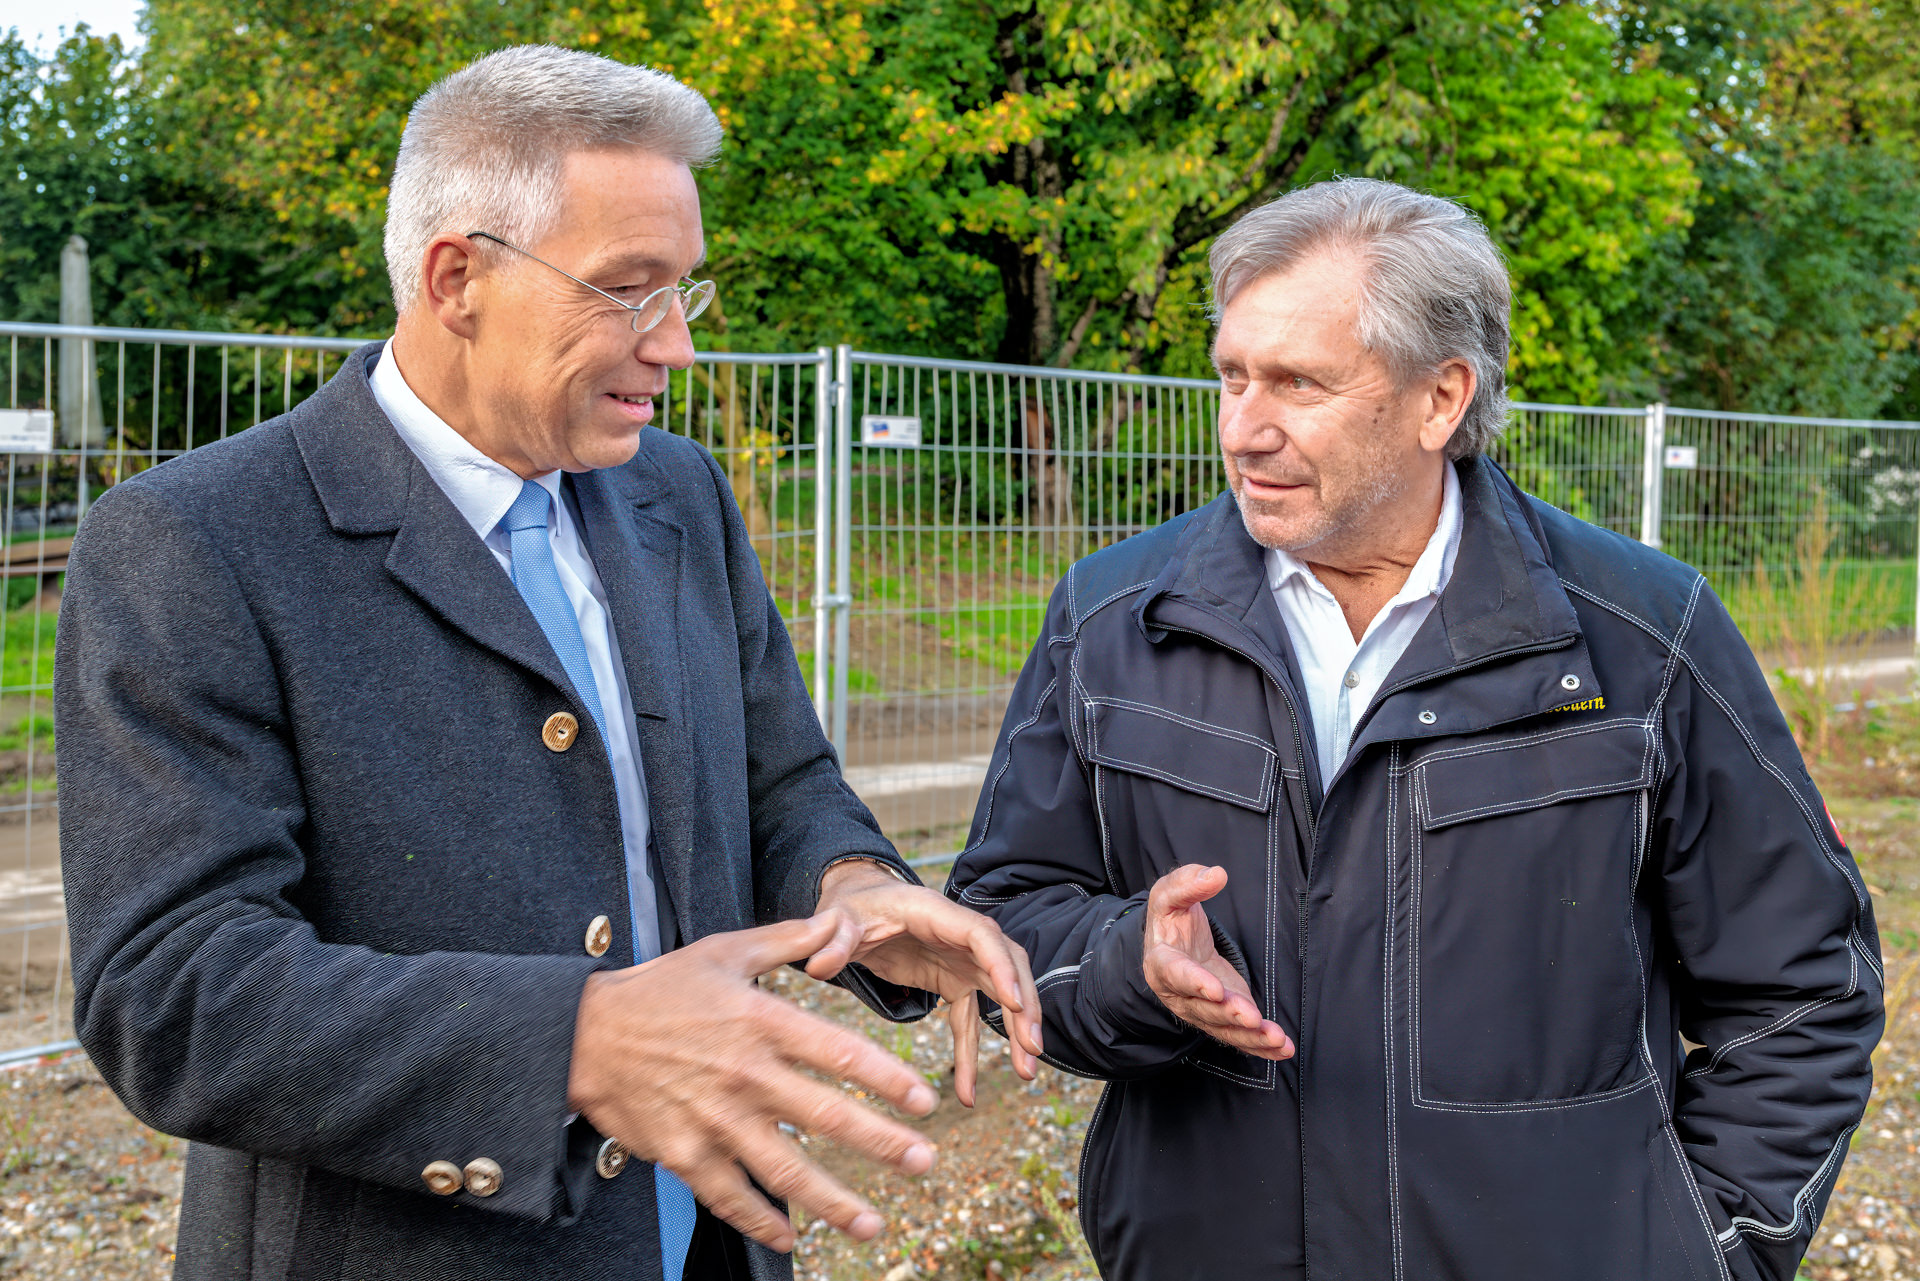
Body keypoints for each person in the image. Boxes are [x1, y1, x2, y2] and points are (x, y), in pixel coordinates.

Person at [56, 45, 1043, 1281]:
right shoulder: (197, 542)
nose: (675, 346)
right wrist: (573, 1040)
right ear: (457, 278)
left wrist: (849, 885)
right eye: (629, 291)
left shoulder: (678, 495)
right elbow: (172, 993)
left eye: (685, 291)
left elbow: (779, 781)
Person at [946, 177, 1883, 1281]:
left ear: (1441, 398)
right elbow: (1001, 915)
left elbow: (1802, 988)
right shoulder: (1112, 620)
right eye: (1232, 376)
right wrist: (1128, 968)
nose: (1243, 429)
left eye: (1299, 382)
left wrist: (1708, 1254)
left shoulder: (1642, 635)